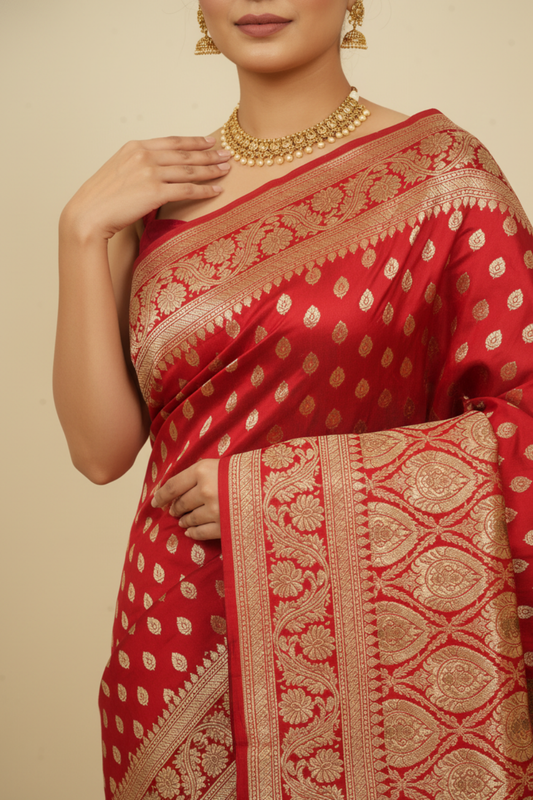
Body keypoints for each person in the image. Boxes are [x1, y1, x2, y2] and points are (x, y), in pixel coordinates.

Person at [53, 2, 533, 798]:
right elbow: (99, 452)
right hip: (173, 635)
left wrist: (273, 495)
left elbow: (521, 419)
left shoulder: (442, 176)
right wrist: (78, 232)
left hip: (375, 634)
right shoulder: (149, 200)